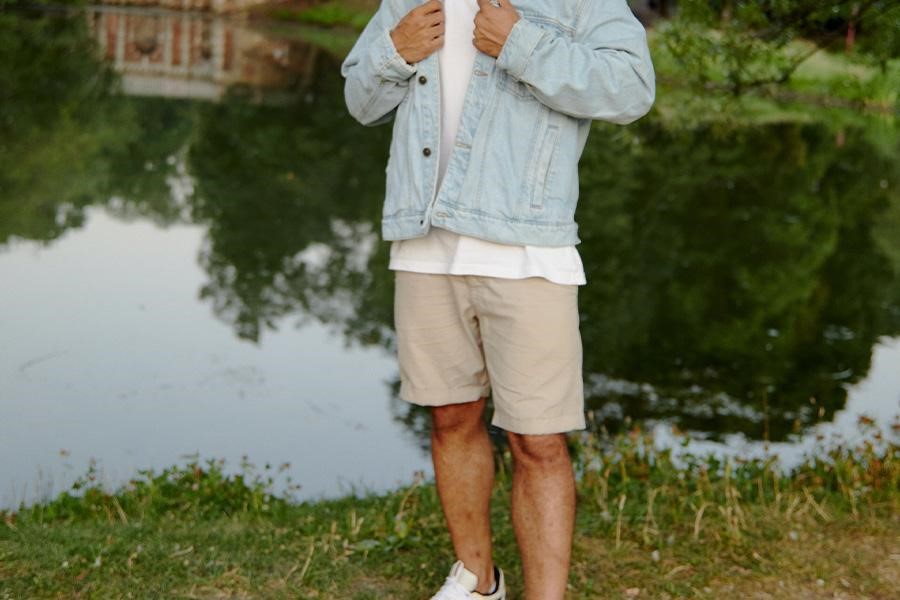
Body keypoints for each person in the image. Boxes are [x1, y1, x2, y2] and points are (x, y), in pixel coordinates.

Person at [340, 1, 655, 597]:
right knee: (450, 416)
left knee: (537, 439)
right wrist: (394, 51)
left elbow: (633, 89)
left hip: (528, 246)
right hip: (424, 239)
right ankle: (478, 582)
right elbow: (360, 101)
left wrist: (522, 44)